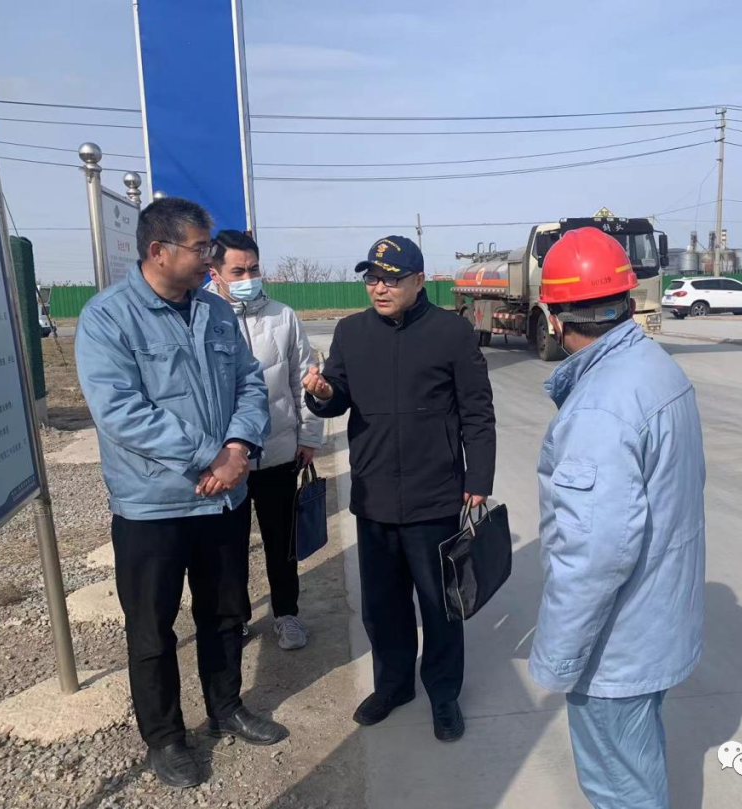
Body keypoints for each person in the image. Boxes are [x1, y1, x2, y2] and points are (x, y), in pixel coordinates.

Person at [75, 198, 287, 790]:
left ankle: (226, 706)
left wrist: (238, 447)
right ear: (158, 251)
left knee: (226, 612)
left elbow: (249, 381)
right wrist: (208, 455)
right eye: (201, 248)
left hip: (222, 499)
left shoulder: (214, 311)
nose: (210, 258)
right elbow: (120, 411)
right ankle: (166, 738)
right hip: (153, 507)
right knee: (152, 628)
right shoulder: (108, 318)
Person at [528, 227, 706, 808]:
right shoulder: (655, 367)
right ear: (629, 301)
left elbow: (594, 555)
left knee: (620, 789)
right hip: (654, 619)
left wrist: (558, 656)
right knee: (637, 766)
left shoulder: (600, 408)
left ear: (555, 317)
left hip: (617, 643)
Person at [301, 235, 495, 742]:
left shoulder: (451, 332)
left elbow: (477, 412)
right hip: (374, 493)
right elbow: (337, 396)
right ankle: (393, 685)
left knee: (440, 604)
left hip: (435, 495)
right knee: (383, 605)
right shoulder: (351, 332)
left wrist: (478, 479)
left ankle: (444, 694)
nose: (379, 288)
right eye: (372, 278)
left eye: (391, 278)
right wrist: (323, 394)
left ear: (419, 280)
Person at [207, 229, 324, 651]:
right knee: (228, 547)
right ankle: (236, 618)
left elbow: (302, 380)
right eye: (238, 271)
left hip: (278, 453)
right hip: (225, 462)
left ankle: (287, 614)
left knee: (282, 543)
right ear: (215, 273)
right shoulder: (201, 317)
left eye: (253, 269)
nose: (248, 278)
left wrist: (308, 435)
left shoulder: (283, 317)